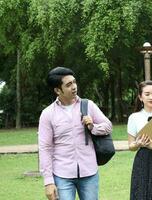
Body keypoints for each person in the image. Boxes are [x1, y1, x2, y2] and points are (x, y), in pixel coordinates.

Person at [38, 67, 112, 200]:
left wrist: (92, 126)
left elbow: (108, 126)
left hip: (89, 172)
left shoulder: (88, 105)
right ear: (57, 90)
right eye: (68, 84)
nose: (74, 87)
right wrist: (48, 182)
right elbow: (45, 148)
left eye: (74, 82)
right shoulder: (48, 114)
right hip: (62, 175)